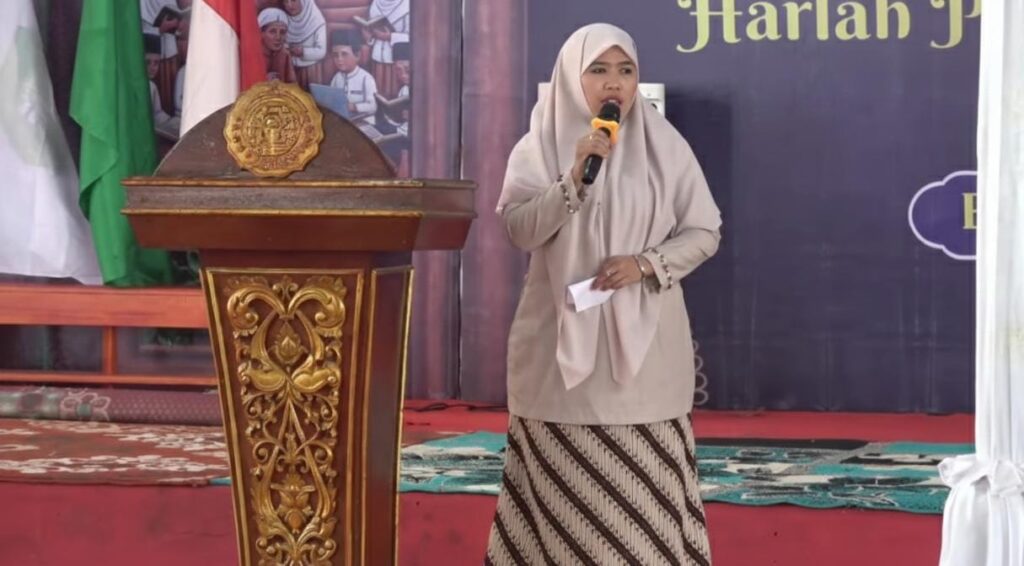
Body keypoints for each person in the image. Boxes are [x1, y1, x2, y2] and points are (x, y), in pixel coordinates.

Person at [486, 23, 720, 566]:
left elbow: (704, 230)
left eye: (625, 70)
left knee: (642, 523)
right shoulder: (541, 143)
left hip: (647, 365)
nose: (614, 83)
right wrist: (573, 180)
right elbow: (519, 230)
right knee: (564, 520)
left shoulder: (666, 145)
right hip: (556, 363)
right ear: (573, 77)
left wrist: (646, 264)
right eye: (598, 70)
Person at [328, 30, 378, 126]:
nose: (339, 59)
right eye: (335, 55)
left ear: (357, 56)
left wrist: (354, 107)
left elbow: (373, 106)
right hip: (343, 121)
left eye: (344, 54)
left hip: (364, 122)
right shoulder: (337, 77)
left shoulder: (366, 78)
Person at [360, 0, 408, 97]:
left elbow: (414, 37)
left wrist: (390, 37)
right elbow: (375, 30)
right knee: (377, 92)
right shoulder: (376, 3)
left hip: (396, 59)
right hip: (377, 56)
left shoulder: (407, 6)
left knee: (393, 94)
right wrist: (369, 37)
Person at [282, 0, 326, 89]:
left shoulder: (316, 20)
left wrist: (302, 51)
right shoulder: (283, 19)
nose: (289, 5)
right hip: (290, 69)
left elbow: (321, 51)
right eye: (286, 1)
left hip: (311, 71)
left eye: (293, 0)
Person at [258, 7, 297, 84]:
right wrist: (264, 79)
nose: (278, 37)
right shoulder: (252, 54)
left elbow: (292, 84)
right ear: (261, 33)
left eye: (282, 32)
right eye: (272, 31)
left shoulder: (285, 54)